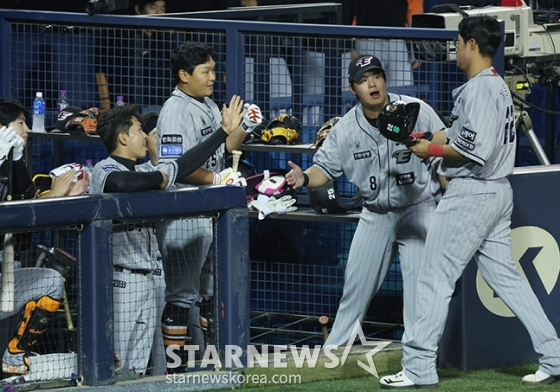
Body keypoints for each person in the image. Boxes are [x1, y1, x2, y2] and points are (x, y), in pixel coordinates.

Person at [380, 15, 560, 389]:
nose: (456, 48)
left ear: (473, 45)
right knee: (508, 280)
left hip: (473, 193)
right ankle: (554, 355)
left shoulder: (479, 89)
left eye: (459, 42)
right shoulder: (492, 85)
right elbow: (462, 133)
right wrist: (428, 135)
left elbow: (471, 151)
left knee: (433, 277)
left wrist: (425, 148)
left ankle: (418, 367)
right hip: (496, 193)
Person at [285, 54, 445, 347]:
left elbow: (445, 145)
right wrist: (304, 179)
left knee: (420, 292)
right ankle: (333, 356)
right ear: (352, 88)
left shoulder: (417, 110)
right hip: (376, 215)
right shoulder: (345, 129)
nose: (372, 83)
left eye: (376, 76)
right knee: (354, 291)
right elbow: (325, 169)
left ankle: (418, 358)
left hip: (418, 207)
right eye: (363, 80)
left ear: (384, 79)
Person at [89, 100, 244, 374]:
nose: (147, 136)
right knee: (116, 365)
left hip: (152, 280)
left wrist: (222, 132)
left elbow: (185, 164)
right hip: (120, 280)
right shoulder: (104, 168)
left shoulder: (147, 170)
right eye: (139, 130)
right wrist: (158, 177)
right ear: (123, 137)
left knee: (140, 368)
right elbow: (120, 184)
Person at [156, 41, 259, 369]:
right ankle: (175, 372)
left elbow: (225, 146)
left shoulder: (207, 103)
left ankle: (210, 365)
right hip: (184, 213)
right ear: (184, 75)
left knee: (209, 293)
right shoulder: (175, 111)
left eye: (214, 69)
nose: (214, 77)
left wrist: (245, 127)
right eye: (206, 71)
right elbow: (175, 168)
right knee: (182, 296)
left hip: (208, 212)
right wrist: (216, 180)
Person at [0, 98, 89, 200]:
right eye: (20, 123)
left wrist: (17, 157)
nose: (27, 130)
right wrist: (55, 194)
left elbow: (26, 199)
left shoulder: (10, 160)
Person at [350, 0, 422, 91]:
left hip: (398, 37)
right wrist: (351, 42)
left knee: (404, 90)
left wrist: (417, 43)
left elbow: (414, 5)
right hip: (368, 36)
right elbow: (351, 6)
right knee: (369, 90)